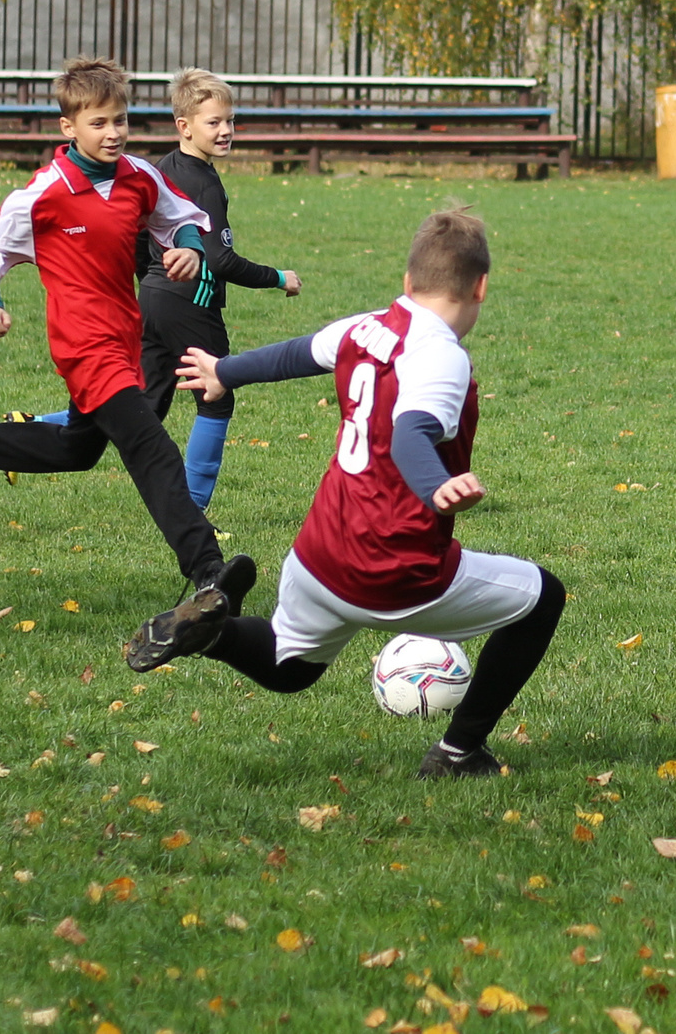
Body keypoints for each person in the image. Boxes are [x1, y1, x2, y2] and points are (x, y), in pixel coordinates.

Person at [171, 206, 566, 778]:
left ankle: (213, 634)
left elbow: (297, 352)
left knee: (291, 668)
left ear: (408, 282)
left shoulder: (366, 326)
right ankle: (458, 753)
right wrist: (436, 487)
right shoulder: (442, 357)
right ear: (481, 287)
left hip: (318, 552)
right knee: (543, 599)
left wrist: (224, 371)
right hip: (393, 569)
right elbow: (412, 432)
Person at [0, 56, 251, 674]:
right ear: (69, 127)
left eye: (121, 119)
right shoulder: (44, 192)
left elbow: (186, 223)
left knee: (78, 449)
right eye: (99, 122)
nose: (114, 132)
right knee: (149, 447)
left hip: (126, 341)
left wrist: (183, 251)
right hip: (83, 347)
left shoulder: (139, 177)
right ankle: (208, 568)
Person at [29, 68, 301, 513]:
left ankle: (31, 426)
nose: (226, 130)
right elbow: (219, 259)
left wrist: (152, 286)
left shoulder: (160, 171)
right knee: (217, 395)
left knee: (142, 406)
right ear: (184, 126)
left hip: (153, 301)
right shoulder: (204, 183)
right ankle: (193, 512)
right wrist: (278, 278)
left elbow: (138, 237)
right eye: (213, 122)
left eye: (230, 121)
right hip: (191, 304)